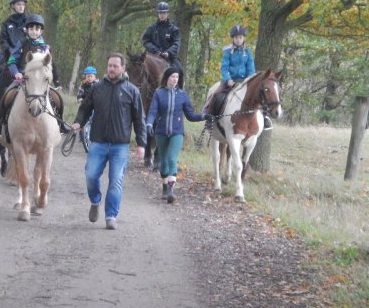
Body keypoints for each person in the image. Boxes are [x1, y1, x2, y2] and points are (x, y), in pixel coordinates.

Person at [71, 53, 146, 230]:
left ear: (123, 68)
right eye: (110, 65)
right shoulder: (96, 88)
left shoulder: (132, 91)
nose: (111, 69)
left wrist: (141, 144)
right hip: (98, 142)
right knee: (91, 175)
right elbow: (85, 108)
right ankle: (95, 201)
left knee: (116, 180)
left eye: (115, 66)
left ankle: (111, 216)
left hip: (120, 145)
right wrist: (78, 122)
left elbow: (139, 119)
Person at [0, 14, 66, 135]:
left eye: (37, 29)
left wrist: (56, 81)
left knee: (57, 98)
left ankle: (61, 123)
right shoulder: (21, 43)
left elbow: (50, 66)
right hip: (23, 78)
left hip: (40, 81)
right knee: (6, 95)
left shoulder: (45, 48)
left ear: (41, 31)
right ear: (27, 30)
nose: (34, 32)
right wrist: (16, 73)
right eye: (31, 29)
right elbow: (11, 61)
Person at [146, 67, 210, 204]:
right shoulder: (158, 93)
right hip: (161, 131)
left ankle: (170, 190)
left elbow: (190, 115)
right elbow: (152, 112)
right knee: (163, 161)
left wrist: (204, 116)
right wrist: (149, 124)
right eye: (172, 77)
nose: (175, 79)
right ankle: (164, 187)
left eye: (177, 77)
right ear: (167, 78)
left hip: (177, 132)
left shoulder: (182, 95)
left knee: (171, 158)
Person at [203, 25, 272, 130]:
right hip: (229, 81)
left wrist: (248, 80)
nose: (238, 40)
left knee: (259, 94)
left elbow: (251, 69)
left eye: (240, 37)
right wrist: (228, 79)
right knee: (216, 94)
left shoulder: (247, 52)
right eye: (236, 37)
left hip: (244, 81)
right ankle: (209, 117)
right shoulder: (227, 51)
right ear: (233, 39)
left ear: (243, 38)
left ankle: (265, 118)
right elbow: (224, 68)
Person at [0, 0, 28, 111]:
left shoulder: (29, 22)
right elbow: (2, 40)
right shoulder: (7, 23)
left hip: (25, 54)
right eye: (18, 4)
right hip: (7, 54)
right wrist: (9, 50)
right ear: (13, 6)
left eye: (23, 4)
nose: (21, 6)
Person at [141, 1, 185, 88]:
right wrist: (155, 50)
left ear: (167, 14)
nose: (162, 15)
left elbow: (176, 43)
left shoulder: (174, 29)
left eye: (164, 13)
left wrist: (168, 52)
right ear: (158, 14)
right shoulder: (151, 28)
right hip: (154, 56)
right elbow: (145, 41)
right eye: (160, 13)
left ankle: (179, 91)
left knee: (180, 69)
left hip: (169, 57)